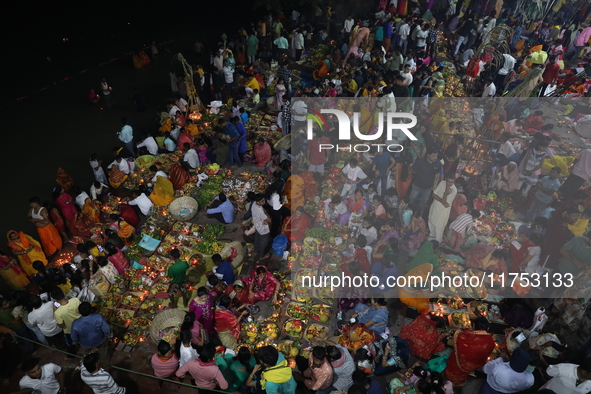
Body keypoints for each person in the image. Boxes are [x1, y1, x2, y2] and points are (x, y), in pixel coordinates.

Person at [444, 317, 495, 386]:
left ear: (474, 326)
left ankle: (450, 380)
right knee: (463, 373)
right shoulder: (491, 341)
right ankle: (460, 381)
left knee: (454, 370)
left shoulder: (465, 336)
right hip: (474, 364)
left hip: (459, 362)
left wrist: (463, 330)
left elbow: (458, 335)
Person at [52, 287, 81, 356]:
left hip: (69, 331)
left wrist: (55, 311)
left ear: (55, 300)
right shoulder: (75, 300)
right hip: (81, 325)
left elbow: (61, 325)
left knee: (70, 344)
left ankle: (72, 355)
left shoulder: (58, 312)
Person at [428, 174, 458, 242]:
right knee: (431, 223)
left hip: (442, 212)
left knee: (439, 228)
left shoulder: (454, 190)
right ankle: (431, 239)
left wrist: (446, 193)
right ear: (445, 179)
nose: (449, 183)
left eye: (451, 182)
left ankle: (437, 243)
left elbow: (445, 204)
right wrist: (442, 200)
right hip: (435, 207)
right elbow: (433, 194)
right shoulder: (442, 183)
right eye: (448, 181)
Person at [250, 194, 272, 261]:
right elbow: (269, 220)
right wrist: (267, 215)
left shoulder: (254, 204)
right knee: (263, 243)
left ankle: (256, 250)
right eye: (262, 201)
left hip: (257, 225)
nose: (264, 202)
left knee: (257, 239)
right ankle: (261, 256)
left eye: (264, 200)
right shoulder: (260, 212)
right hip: (263, 229)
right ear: (258, 202)